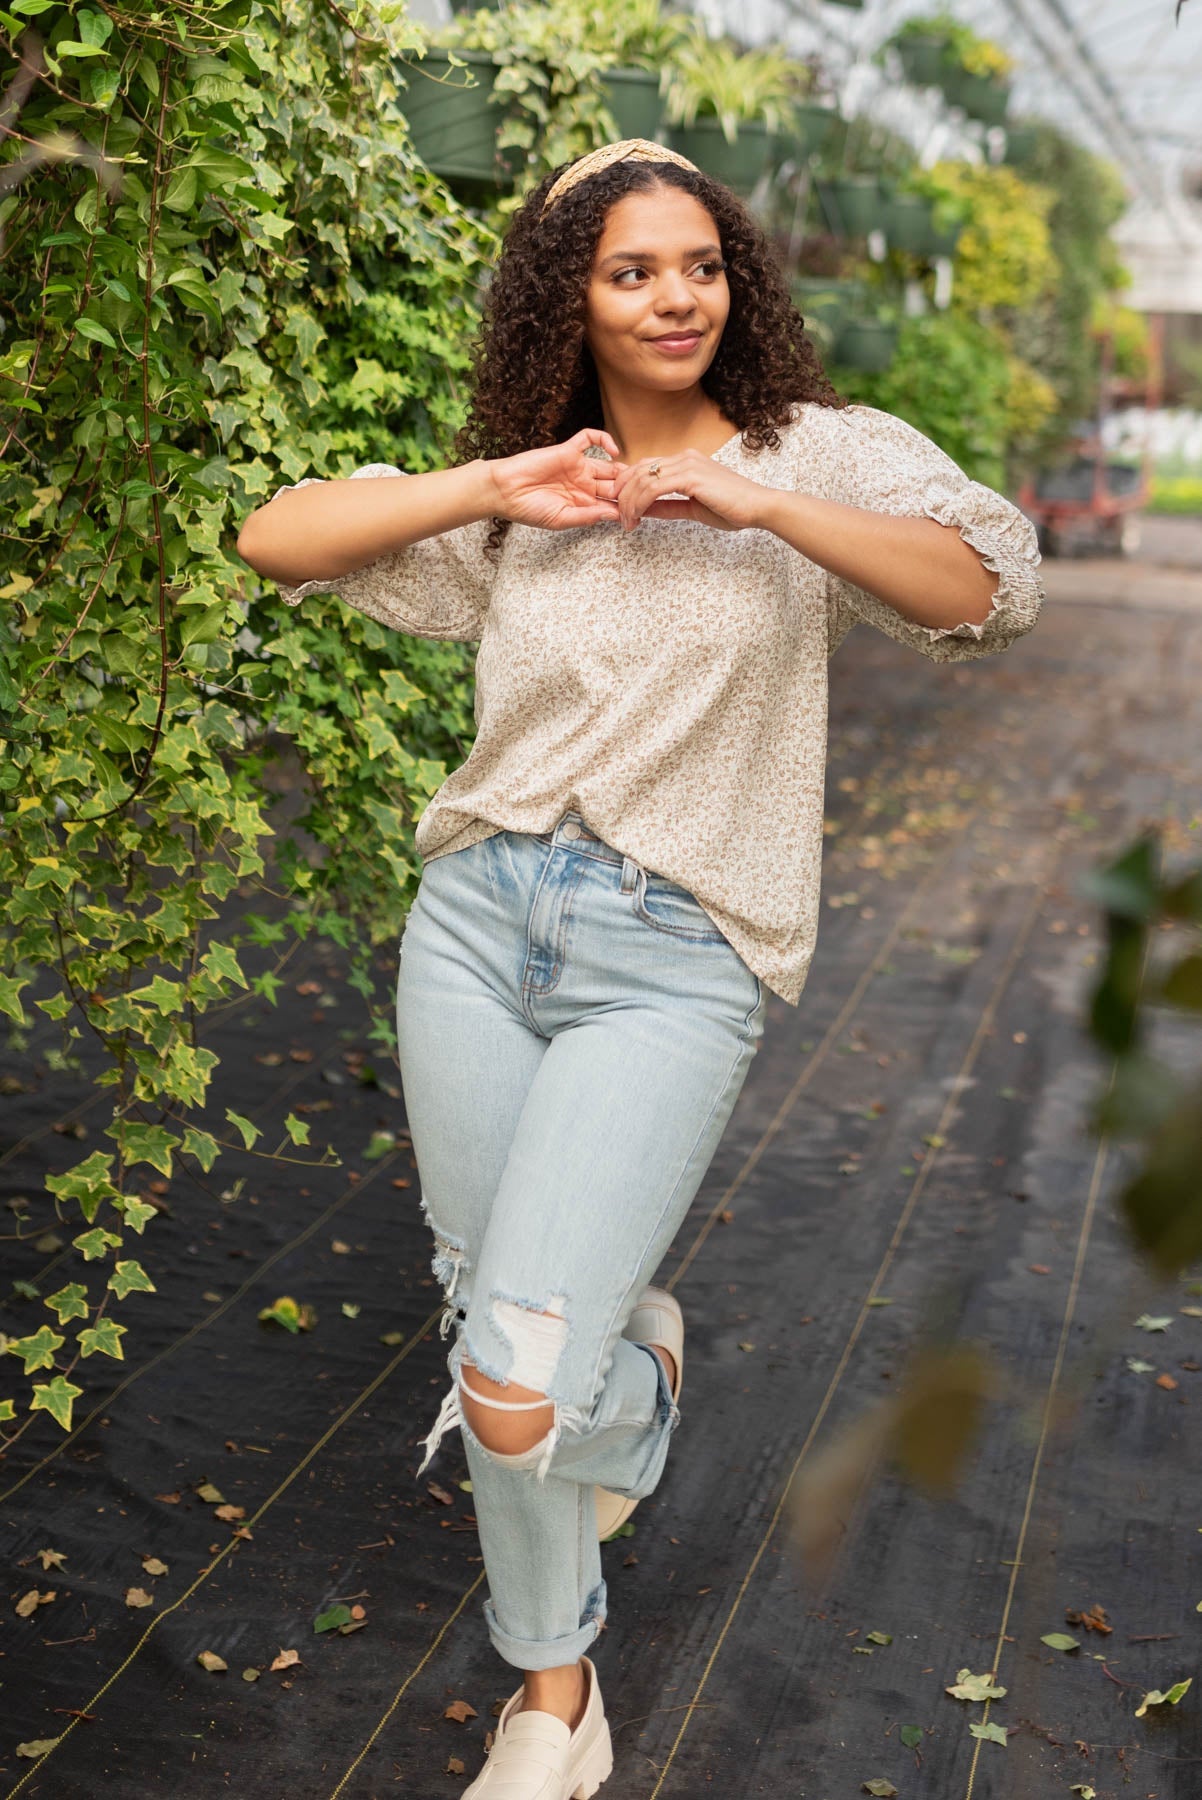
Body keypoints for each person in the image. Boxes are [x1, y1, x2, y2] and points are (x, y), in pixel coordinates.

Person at [236, 137, 1043, 1799]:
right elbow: (277, 537)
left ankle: (631, 1376)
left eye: (697, 263)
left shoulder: (813, 447)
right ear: (571, 299)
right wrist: (485, 488)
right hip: (471, 931)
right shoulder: (538, 481)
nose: (674, 296)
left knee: (523, 1384)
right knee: (491, 1329)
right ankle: (556, 1696)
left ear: (730, 276)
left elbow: (991, 587)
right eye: (629, 271)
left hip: (676, 955)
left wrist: (761, 507)